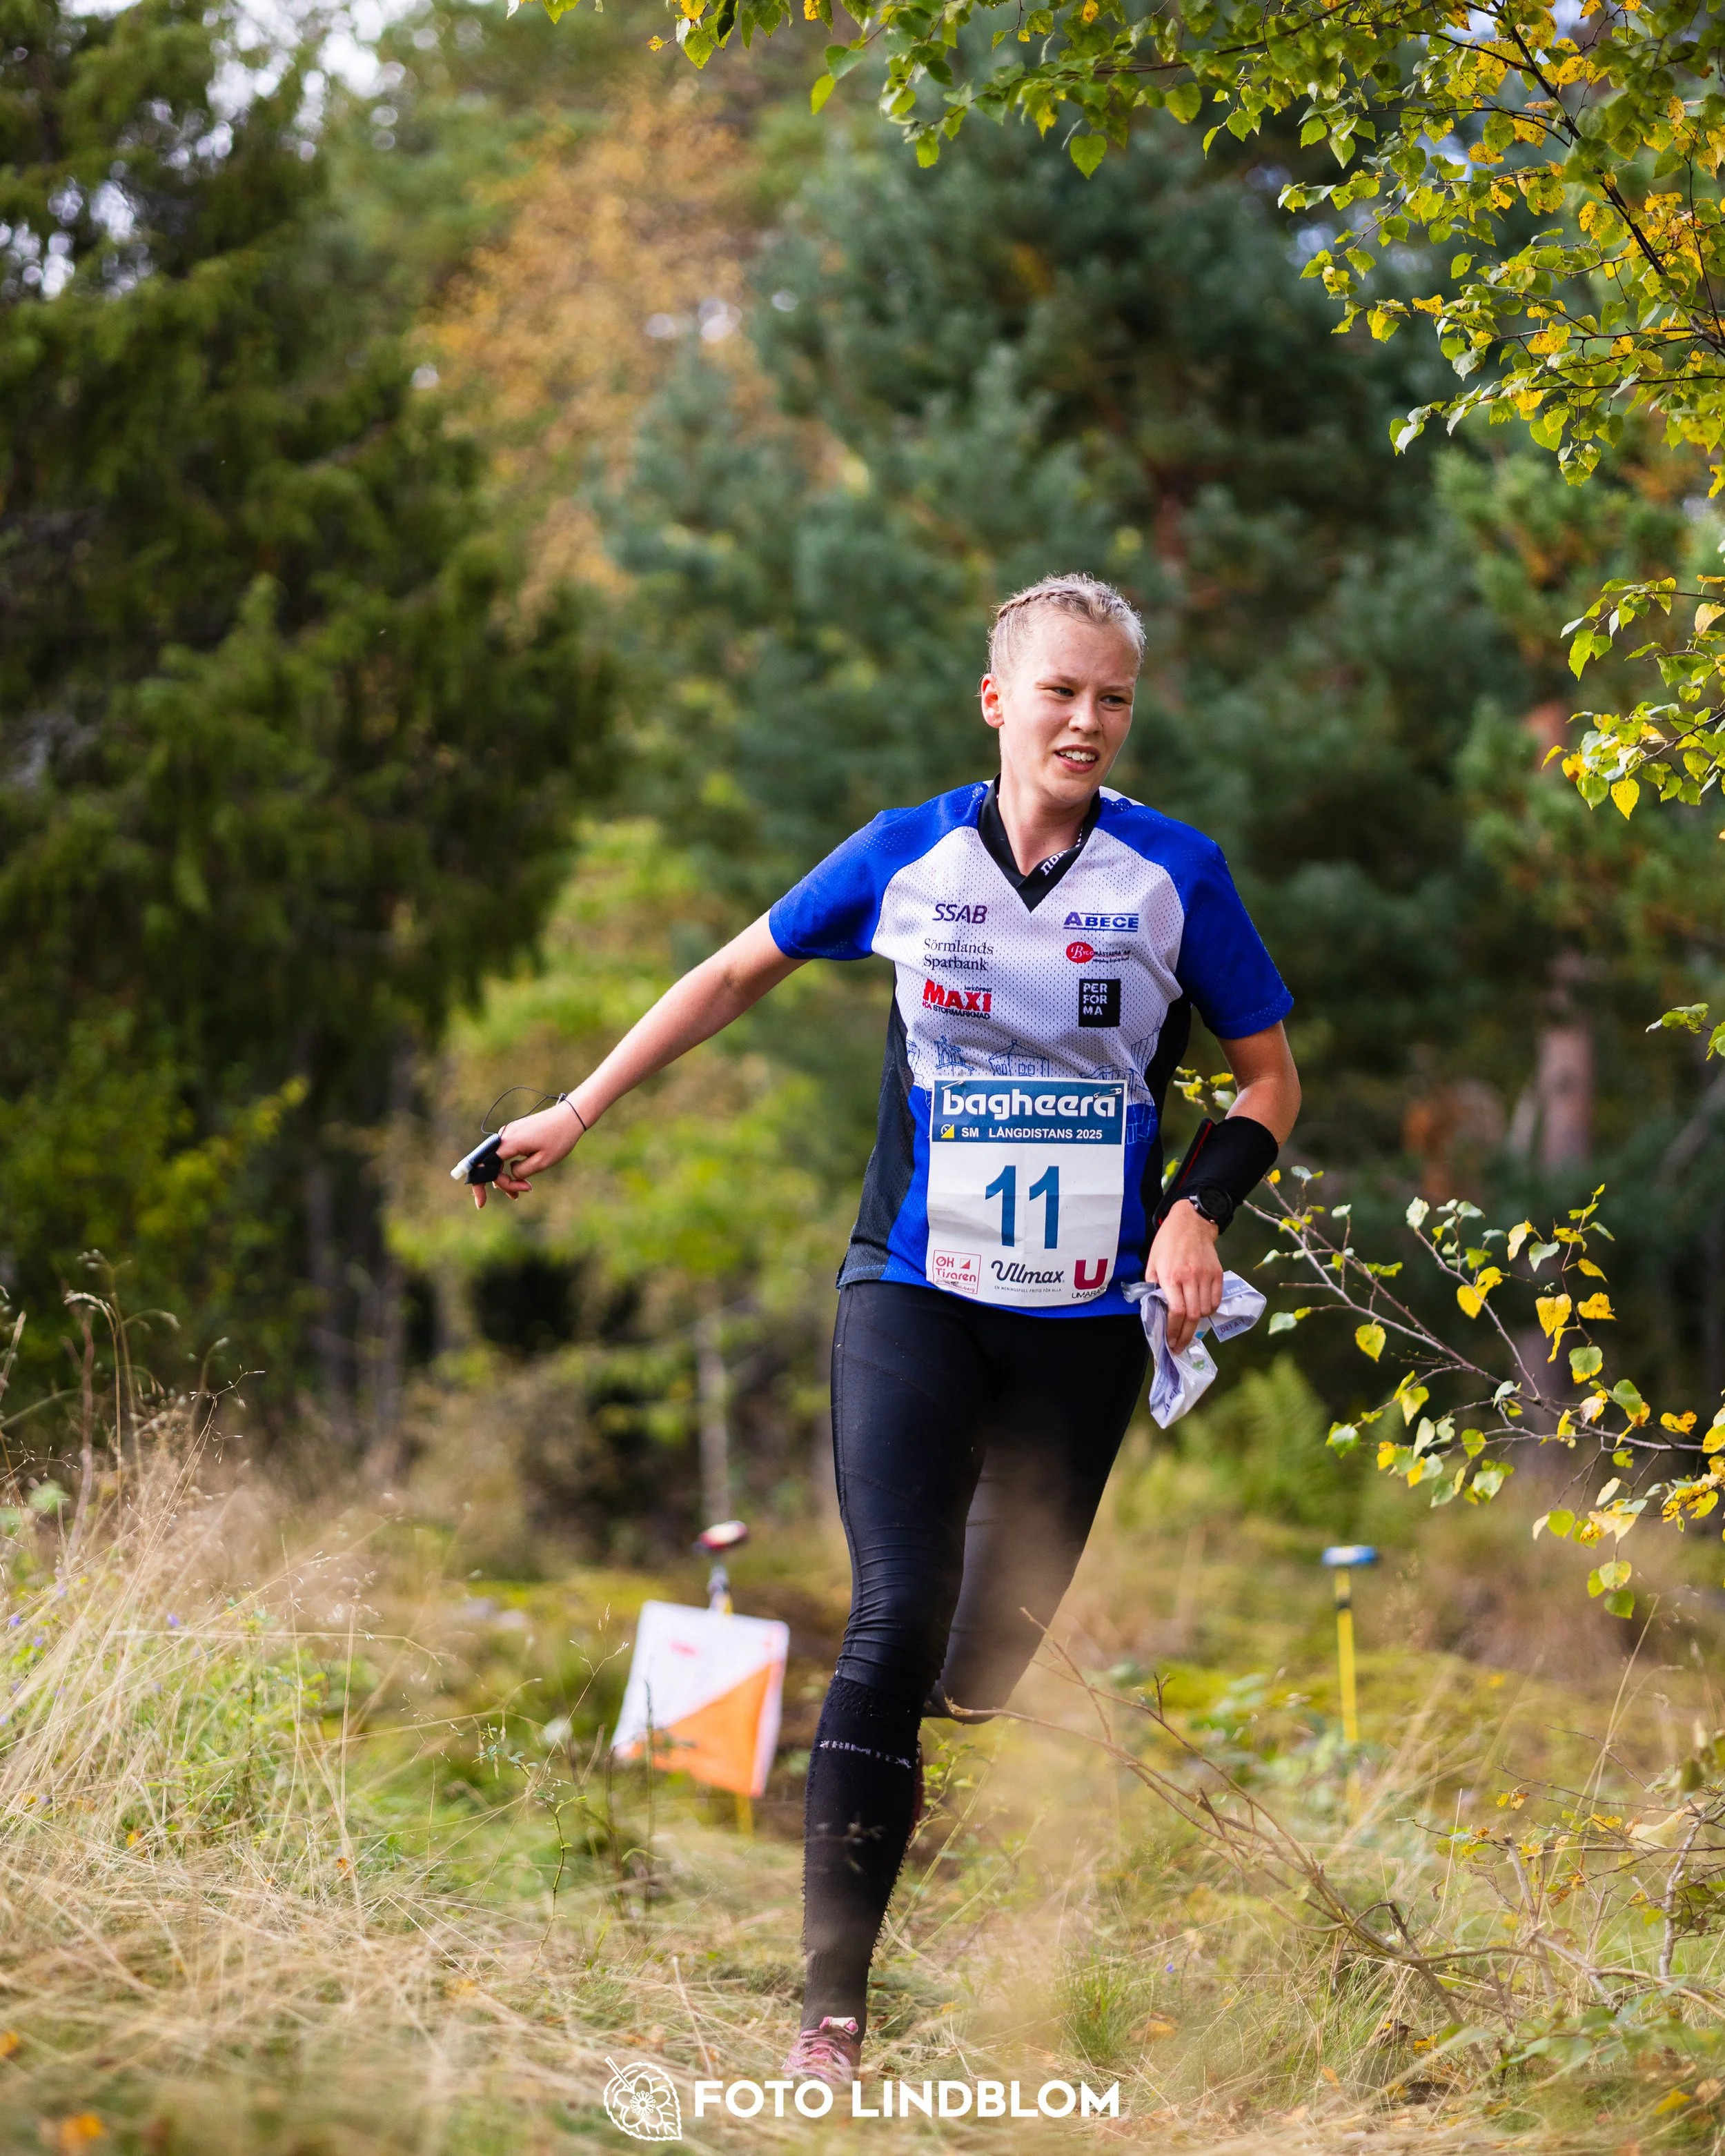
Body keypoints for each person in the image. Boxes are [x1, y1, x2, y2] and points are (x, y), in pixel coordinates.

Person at [475, 573, 1301, 2084]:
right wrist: (575, 1110)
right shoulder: (903, 854)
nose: (1087, 720)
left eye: (1113, 698)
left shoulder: (1173, 873)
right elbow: (733, 971)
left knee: (979, 1668)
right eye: (1059, 691)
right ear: (996, 700)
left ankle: (884, 1724)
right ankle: (830, 2016)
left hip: (1081, 1318)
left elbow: (1268, 1079)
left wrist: (1198, 1210)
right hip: (911, 1285)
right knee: (892, 1613)